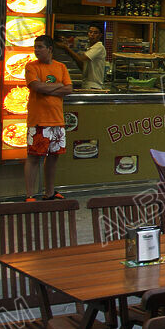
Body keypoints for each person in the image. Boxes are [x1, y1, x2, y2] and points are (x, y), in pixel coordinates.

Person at [24, 35, 73, 201]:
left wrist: (47, 88)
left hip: (57, 120)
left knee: (53, 157)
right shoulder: (31, 67)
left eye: (40, 47)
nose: (36, 50)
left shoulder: (61, 67)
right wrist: (57, 86)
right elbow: (35, 86)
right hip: (38, 119)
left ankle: (49, 192)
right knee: (33, 157)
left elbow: (68, 89)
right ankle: (29, 195)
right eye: (35, 47)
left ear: (50, 49)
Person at [55, 23, 106, 90]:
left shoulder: (99, 47)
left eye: (95, 33)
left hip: (94, 85)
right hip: (87, 84)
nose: (92, 35)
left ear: (100, 35)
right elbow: (82, 65)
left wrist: (66, 48)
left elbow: (81, 59)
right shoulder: (90, 48)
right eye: (90, 32)